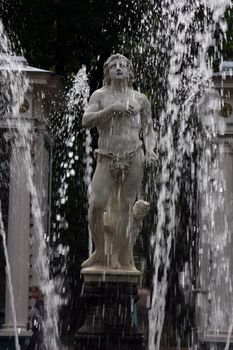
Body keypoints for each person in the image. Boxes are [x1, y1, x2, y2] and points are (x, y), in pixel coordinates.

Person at [82, 53, 156, 269]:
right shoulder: (100, 95)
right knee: (97, 204)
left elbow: (149, 129)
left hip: (133, 154)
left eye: (123, 65)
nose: (118, 68)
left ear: (130, 72)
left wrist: (151, 151)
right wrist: (111, 110)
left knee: (126, 206)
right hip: (106, 156)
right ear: (108, 72)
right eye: (114, 65)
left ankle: (115, 254)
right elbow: (86, 121)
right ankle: (99, 251)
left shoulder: (140, 99)